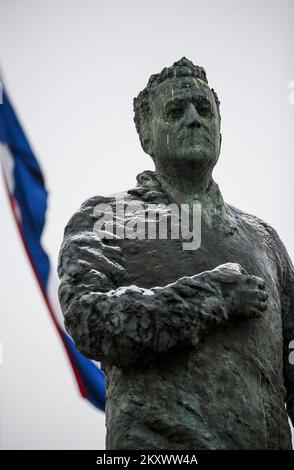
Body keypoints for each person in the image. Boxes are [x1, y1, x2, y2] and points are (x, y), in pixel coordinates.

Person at [58, 58, 294, 449]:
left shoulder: (264, 237)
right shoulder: (107, 216)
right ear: (145, 136)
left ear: (220, 128)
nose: (193, 119)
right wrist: (209, 297)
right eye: (175, 111)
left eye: (204, 110)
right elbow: (89, 320)